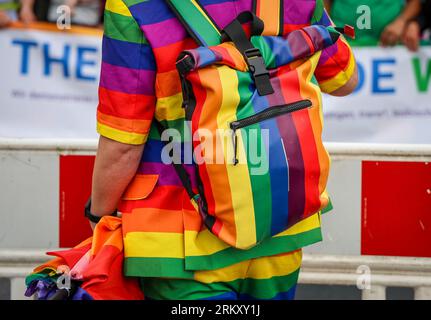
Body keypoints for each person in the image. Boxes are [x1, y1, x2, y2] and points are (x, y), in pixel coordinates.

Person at [90, 0, 358, 300]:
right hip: (280, 224)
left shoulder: (132, 5)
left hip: (178, 240)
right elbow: (345, 81)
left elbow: (123, 145)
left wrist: (97, 219)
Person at [324, 0, 421, 47]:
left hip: (389, 44)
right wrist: (326, 28)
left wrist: (403, 21)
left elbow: (415, 2)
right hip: (341, 45)